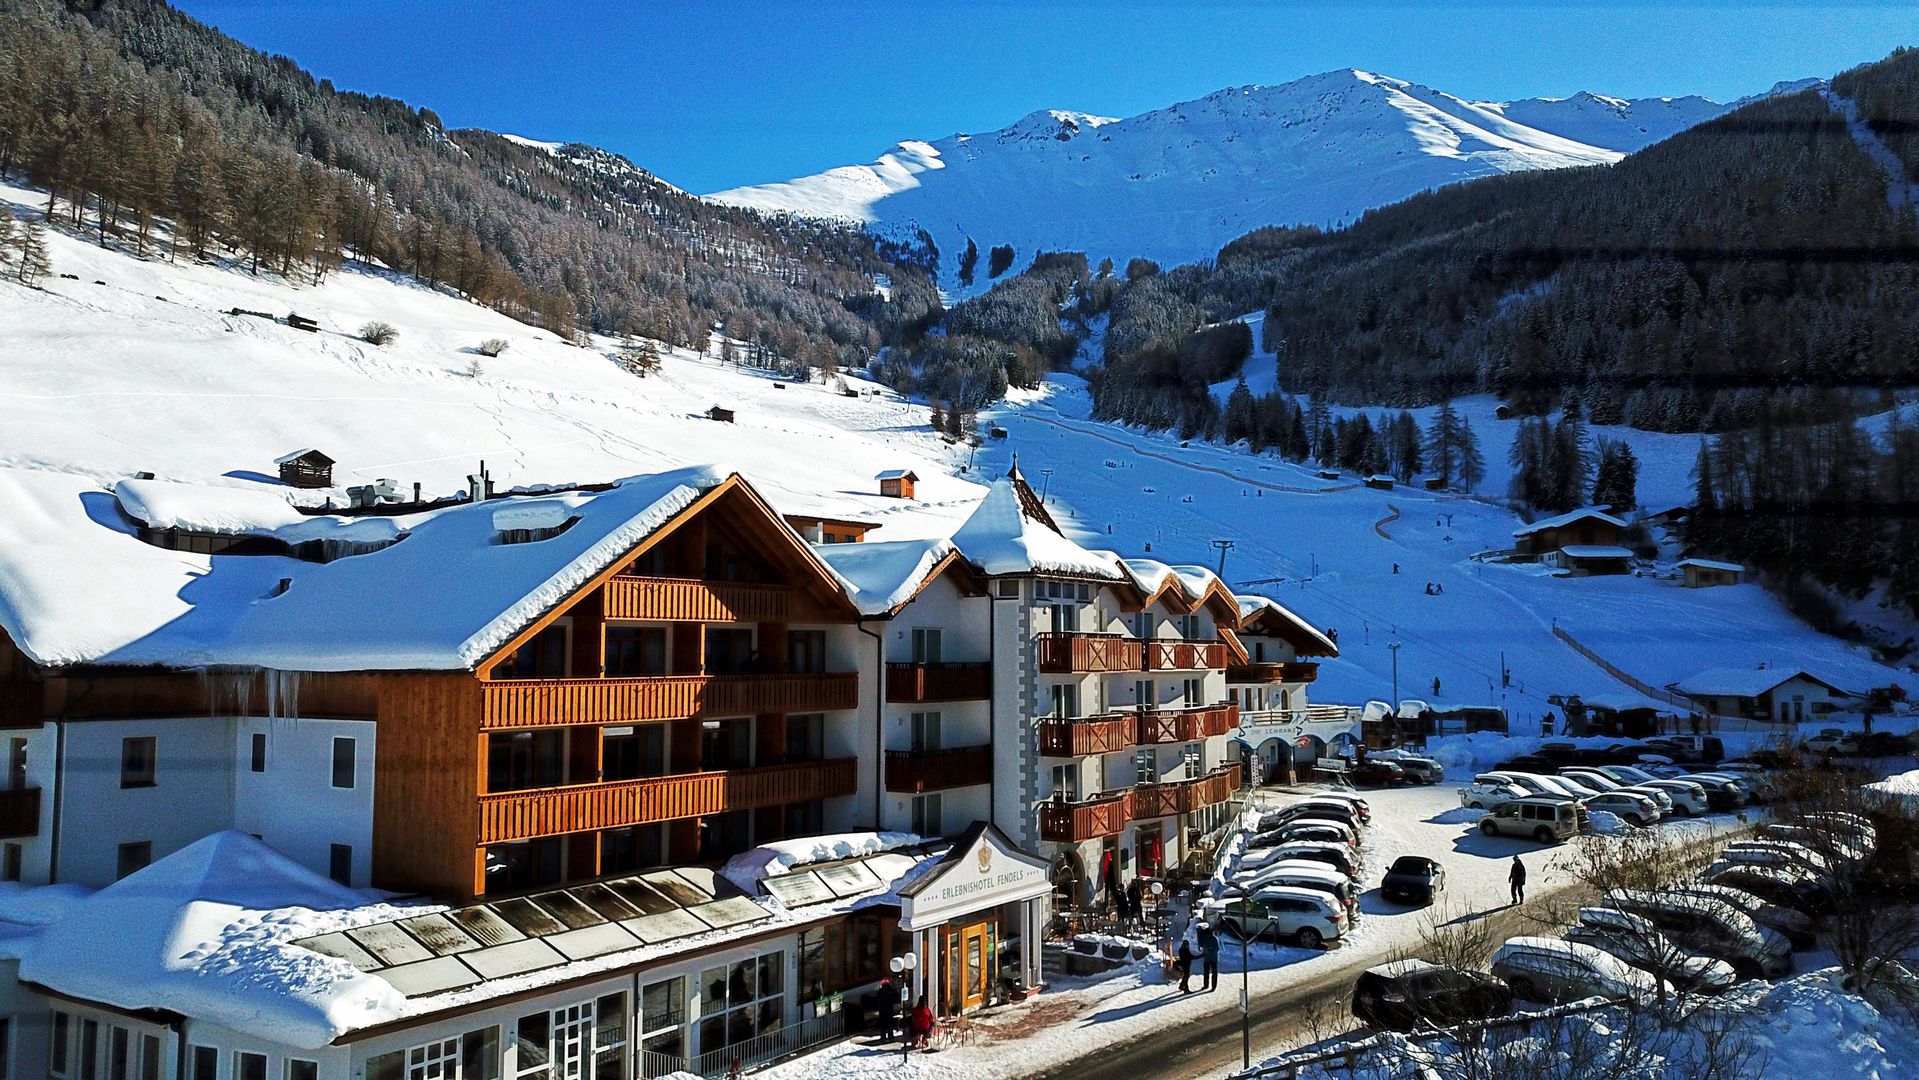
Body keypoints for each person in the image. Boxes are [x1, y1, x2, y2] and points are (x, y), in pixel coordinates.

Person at [874, 977, 901, 1042]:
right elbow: (896, 998)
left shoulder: (880, 991)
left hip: (882, 1010)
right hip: (889, 1009)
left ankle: (883, 1038)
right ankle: (891, 1037)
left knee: (883, 1024)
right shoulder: (891, 990)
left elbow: (877, 1000)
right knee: (889, 1024)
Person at [1197, 921, 1220, 991]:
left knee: (1214, 973)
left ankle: (1213, 986)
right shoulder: (1205, 938)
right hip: (1207, 958)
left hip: (1214, 959)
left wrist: (1209, 949)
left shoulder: (1215, 939)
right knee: (1206, 973)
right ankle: (1206, 985)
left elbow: (1217, 948)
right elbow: (1201, 944)